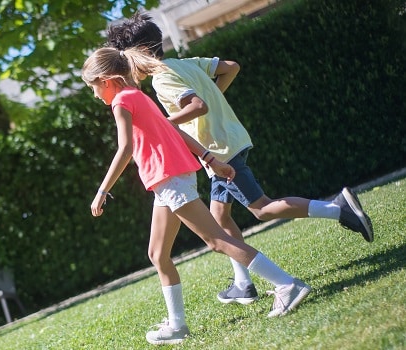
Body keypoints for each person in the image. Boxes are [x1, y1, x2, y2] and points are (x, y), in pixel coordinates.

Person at [105, 10, 373, 305]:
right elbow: (231, 67)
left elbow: (197, 105)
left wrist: (166, 125)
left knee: (263, 208)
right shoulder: (185, 64)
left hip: (220, 149)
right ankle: (243, 284)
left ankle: (338, 208)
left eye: (125, 59)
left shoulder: (162, 80)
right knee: (220, 217)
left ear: (141, 52)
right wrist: (214, 97)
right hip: (230, 138)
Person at [82, 46, 310, 345]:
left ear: (106, 80)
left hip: (170, 178)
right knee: (158, 254)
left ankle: (286, 284)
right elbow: (174, 132)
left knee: (217, 240)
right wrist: (212, 159)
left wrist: (102, 191)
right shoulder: (139, 97)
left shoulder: (122, 101)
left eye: (93, 87)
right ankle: (177, 325)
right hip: (168, 179)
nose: (95, 94)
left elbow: (125, 148)